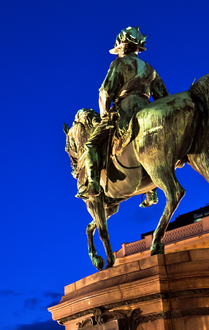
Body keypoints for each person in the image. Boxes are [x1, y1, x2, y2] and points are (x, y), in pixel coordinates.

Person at [80, 27, 168, 203]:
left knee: (90, 145)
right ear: (137, 48)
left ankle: (93, 184)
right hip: (148, 112)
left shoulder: (118, 64)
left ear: (121, 47)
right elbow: (163, 98)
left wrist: (105, 115)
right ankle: (152, 190)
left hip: (124, 112)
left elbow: (105, 92)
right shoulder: (150, 69)